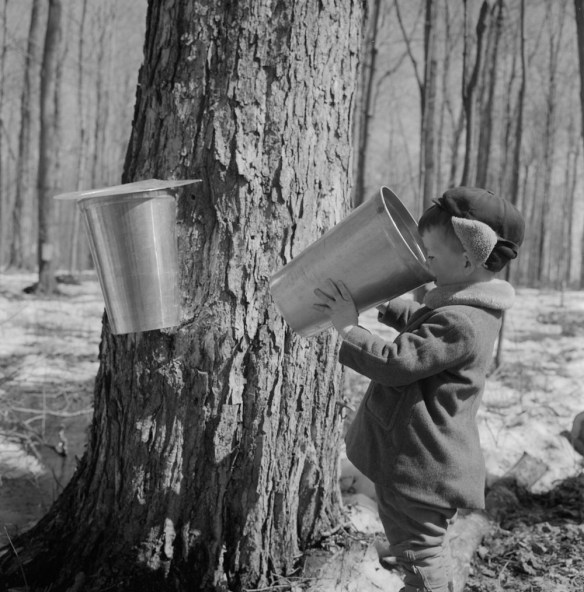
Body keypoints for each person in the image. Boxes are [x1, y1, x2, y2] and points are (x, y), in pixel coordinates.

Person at [313, 187, 525, 592]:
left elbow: (398, 363)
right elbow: (424, 323)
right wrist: (384, 304)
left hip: (421, 468)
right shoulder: (466, 310)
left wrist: (348, 327)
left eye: (431, 255)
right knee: (414, 542)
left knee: (423, 557)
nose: (424, 263)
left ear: (467, 256)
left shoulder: (462, 321)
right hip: (418, 464)